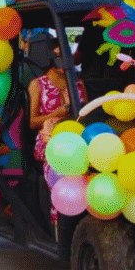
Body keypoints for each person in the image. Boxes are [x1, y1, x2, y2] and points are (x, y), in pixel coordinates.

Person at [29, 38, 87, 178]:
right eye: (59, 56)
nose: (64, 61)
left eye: (67, 56)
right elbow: (32, 122)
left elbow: (87, 115)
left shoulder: (78, 84)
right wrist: (56, 114)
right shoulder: (38, 84)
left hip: (76, 137)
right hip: (49, 139)